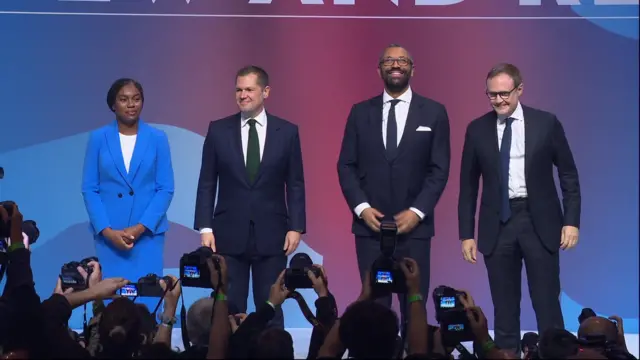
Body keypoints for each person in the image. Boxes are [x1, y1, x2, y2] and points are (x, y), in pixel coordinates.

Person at [458, 63, 581, 354]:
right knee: (504, 307)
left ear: (519, 89)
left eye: (504, 94)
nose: (499, 100)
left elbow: (568, 175)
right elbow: (468, 186)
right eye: (492, 95)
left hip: (539, 222)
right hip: (497, 224)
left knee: (547, 304)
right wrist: (466, 234)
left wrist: (571, 221)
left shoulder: (546, 123)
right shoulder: (477, 129)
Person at [337, 44, 451, 330]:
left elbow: (439, 169)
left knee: (414, 305)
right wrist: (362, 209)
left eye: (402, 60)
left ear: (413, 68)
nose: (395, 64)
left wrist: (417, 211)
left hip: (415, 229)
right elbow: (346, 165)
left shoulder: (435, 113)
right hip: (370, 229)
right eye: (389, 60)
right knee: (373, 309)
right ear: (379, 70)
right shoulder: (359, 112)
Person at [194, 65, 306, 329]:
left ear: (265, 91)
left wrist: (296, 226)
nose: (242, 95)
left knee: (271, 309)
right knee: (229, 308)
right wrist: (205, 227)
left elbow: (296, 183)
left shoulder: (287, 132)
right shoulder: (218, 130)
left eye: (249, 89)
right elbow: (207, 182)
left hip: (274, 234)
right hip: (228, 234)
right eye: (239, 90)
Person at [81, 78, 175, 311]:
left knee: (148, 303)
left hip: (147, 237)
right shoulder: (97, 139)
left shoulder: (158, 138)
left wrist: (141, 227)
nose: (131, 104)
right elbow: (89, 189)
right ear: (113, 104)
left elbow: (166, 188)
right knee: (113, 306)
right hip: (110, 237)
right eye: (124, 99)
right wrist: (107, 231)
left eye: (136, 99)